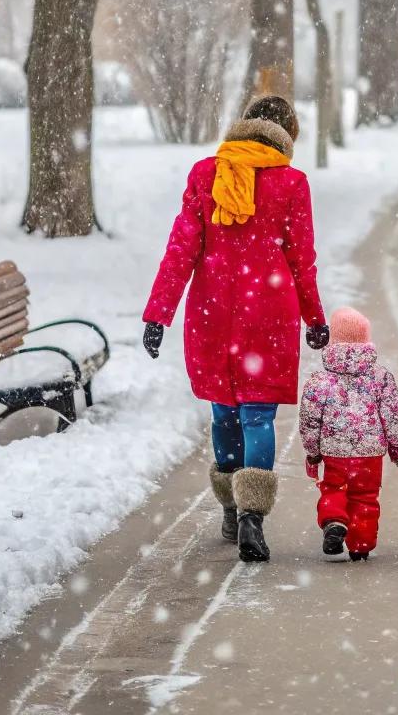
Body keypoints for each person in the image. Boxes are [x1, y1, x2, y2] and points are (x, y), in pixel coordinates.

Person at [142, 94, 329, 564]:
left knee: (224, 414)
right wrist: (315, 318)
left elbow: (181, 249)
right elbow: (300, 260)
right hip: (266, 314)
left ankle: (230, 508)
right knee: (258, 418)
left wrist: (158, 313)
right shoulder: (291, 183)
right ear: (286, 135)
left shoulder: (207, 174)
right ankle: (252, 517)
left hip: (213, 314)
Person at [299, 306, 398, 561]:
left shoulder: (320, 381)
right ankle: (361, 545)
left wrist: (313, 453)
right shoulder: (380, 377)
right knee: (366, 497)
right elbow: (394, 414)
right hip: (370, 455)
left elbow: (309, 420)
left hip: (334, 452)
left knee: (334, 488)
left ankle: (334, 521)